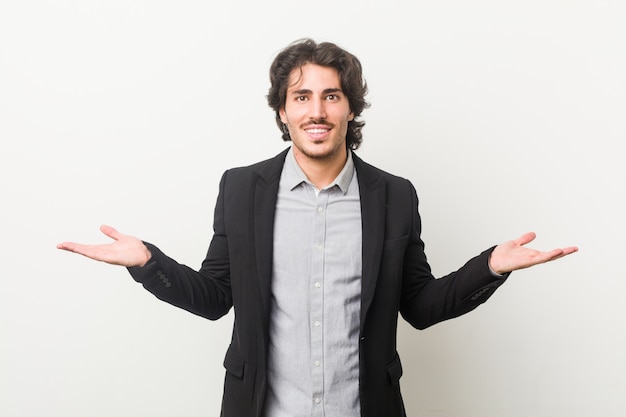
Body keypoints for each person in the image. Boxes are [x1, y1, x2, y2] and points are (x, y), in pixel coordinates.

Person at [57, 38, 578, 417]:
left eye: (331, 96)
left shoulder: (394, 195)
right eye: (301, 97)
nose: (317, 111)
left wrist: (489, 267)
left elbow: (419, 306)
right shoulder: (242, 189)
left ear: (351, 108)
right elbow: (216, 297)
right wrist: (148, 263)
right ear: (283, 111)